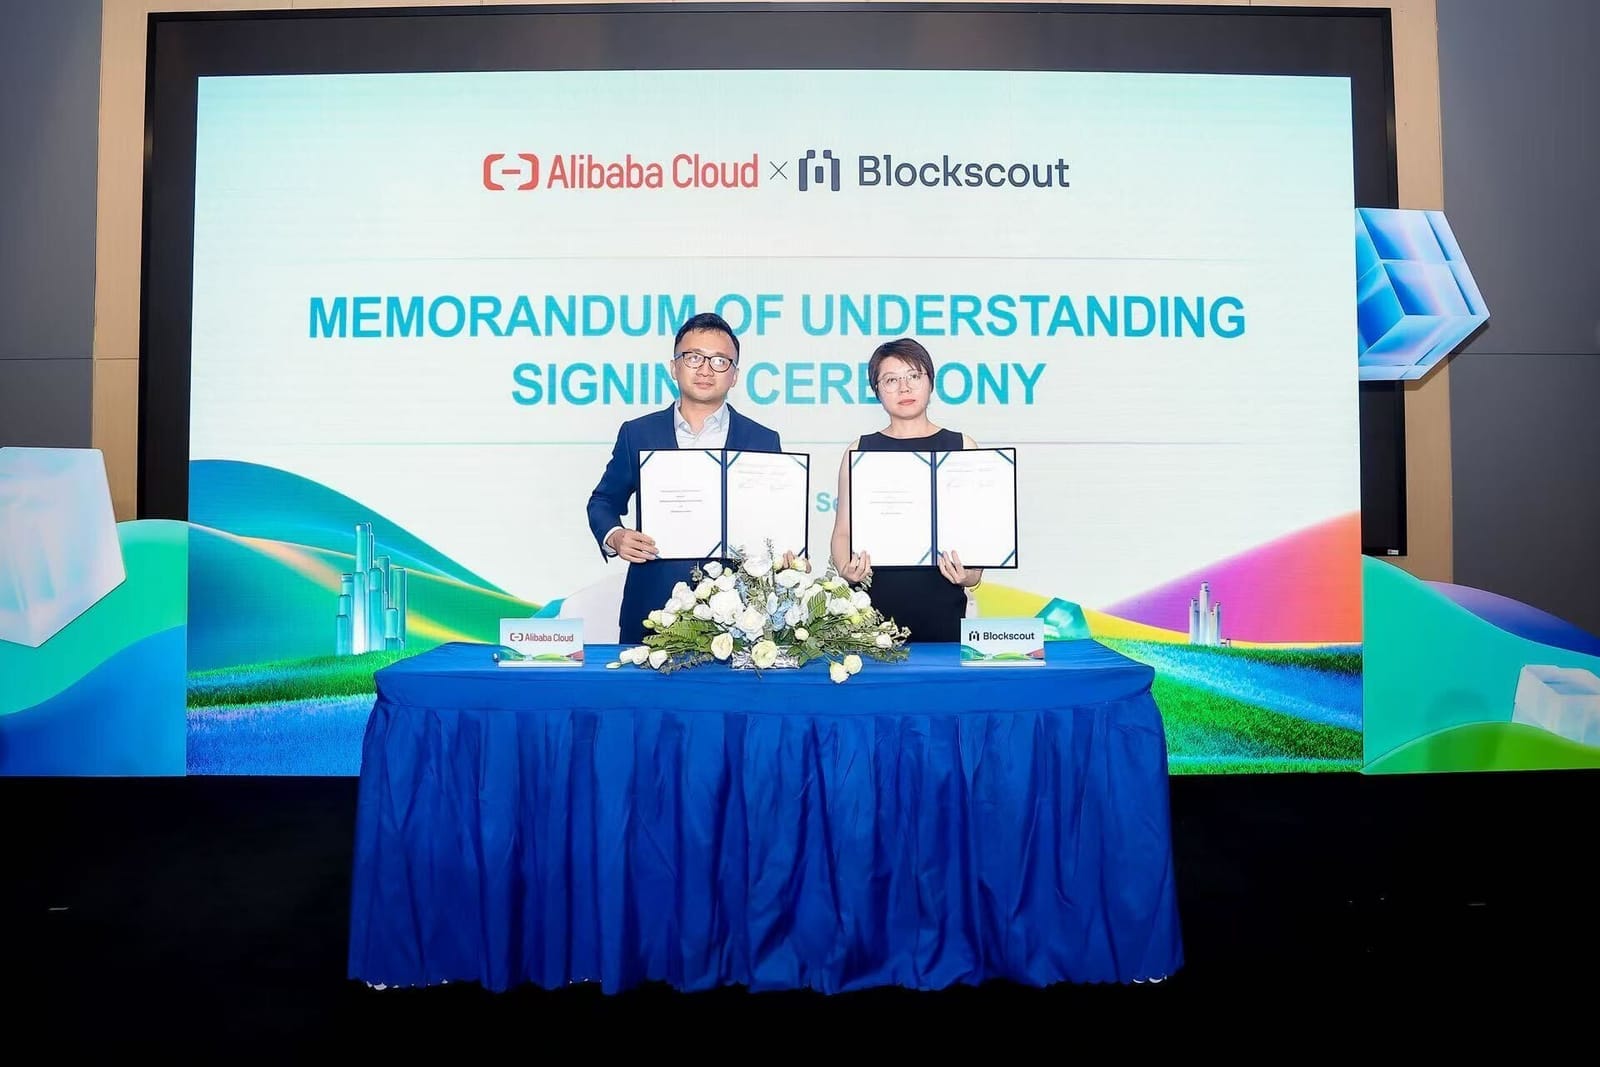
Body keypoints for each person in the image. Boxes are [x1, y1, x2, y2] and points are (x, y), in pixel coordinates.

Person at [587, 312, 783, 644]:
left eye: (719, 361)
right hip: (652, 607)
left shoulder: (763, 440)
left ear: (735, 375)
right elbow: (604, 501)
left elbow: (774, 521)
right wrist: (616, 536)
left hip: (739, 616)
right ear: (674, 366)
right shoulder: (638, 433)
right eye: (694, 357)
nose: (705, 370)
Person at [830, 338, 982, 644]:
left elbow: (974, 530)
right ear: (877, 391)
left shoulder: (962, 446)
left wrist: (970, 575)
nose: (904, 388)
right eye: (891, 380)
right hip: (873, 613)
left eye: (914, 375)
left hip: (945, 608)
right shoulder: (860, 450)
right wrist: (846, 568)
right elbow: (843, 530)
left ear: (931, 382)